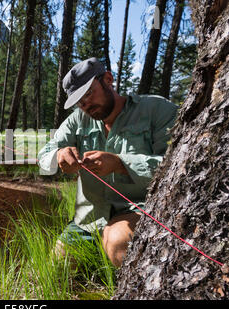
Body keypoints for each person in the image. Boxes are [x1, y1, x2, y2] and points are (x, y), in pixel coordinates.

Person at [38, 57, 178, 267]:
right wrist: (58, 156)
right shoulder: (77, 120)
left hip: (137, 210)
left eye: (88, 94)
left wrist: (120, 163)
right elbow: (44, 155)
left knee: (117, 241)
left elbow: (176, 166)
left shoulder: (157, 109)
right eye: (79, 102)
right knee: (57, 267)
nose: (86, 105)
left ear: (108, 79)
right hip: (89, 220)